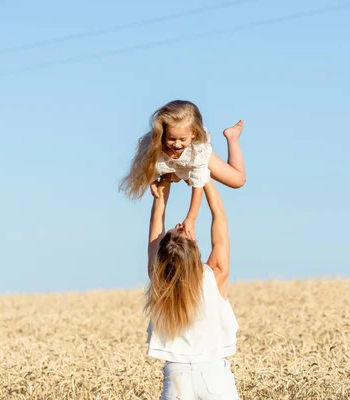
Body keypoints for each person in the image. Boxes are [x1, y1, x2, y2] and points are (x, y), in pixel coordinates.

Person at [144, 177, 240, 399]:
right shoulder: (215, 275)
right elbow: (220, 217)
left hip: (176, 380)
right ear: (195, 246)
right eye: (179, 230)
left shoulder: (159, 281)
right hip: (215, 377)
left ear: (161, 257)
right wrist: (203, 176)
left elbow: (156, 223)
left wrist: (162, 189)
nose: (179, 224)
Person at [120, 99, 245, 239]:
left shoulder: (198, 150)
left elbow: (198, 187)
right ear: (163, 134)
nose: (177, 144)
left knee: (238, 180)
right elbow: (148, 163)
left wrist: (191, 218)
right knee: (161, 182)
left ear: (193, 133)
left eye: (182, 139)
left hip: (191, 159)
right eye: (171, 139)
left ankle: (232, 137)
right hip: (170, 167)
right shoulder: (154, 145)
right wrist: (152, 179)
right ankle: (176, 169)